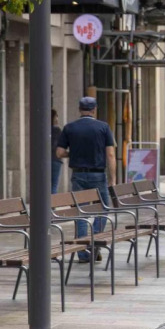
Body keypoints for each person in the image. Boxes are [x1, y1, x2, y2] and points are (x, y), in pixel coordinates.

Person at [55, 97, 115, 262]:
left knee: (80, 212)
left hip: (78, 175)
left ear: (80, 109)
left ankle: (82, 253)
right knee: (103, 209)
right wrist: (113, 178)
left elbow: (59, 153)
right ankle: (94, 243)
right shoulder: (103, 127)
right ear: (94, 109)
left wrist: (73, 154)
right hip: (98, 175)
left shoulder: (69, 128)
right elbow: (110, 154)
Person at [51, 110, 63, 194]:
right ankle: (52, 201)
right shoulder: (57, 130)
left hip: (42, 161)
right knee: (54, 185)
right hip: (55, 159)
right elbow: (56, 145)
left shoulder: (41, 129)